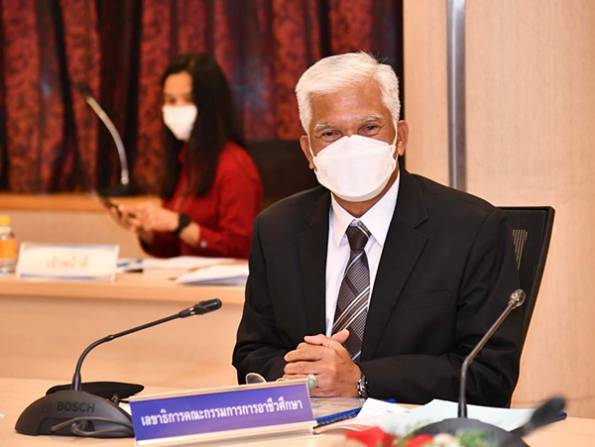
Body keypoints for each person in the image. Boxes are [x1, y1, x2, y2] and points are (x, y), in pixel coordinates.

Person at [232, 52, 522, 406]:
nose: (351, 146)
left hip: (415, 429)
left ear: (400, 137)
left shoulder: (472, 229)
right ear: (308, 150)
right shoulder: (277, 229)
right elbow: (252, 353)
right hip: (310, 426)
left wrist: (360, 380)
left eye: (369, 128)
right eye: (329, 133)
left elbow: (488, 376)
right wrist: (306, 376)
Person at [112, 53, 262, 259]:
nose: (176, 108)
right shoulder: (185, 160)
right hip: (186, 276)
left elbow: (241, 249)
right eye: (170, 100)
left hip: (223, 279)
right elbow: (174, 249)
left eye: (188, 100)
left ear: (210, 105)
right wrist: (145, 228)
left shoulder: (235, 165)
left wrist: (181, 225)